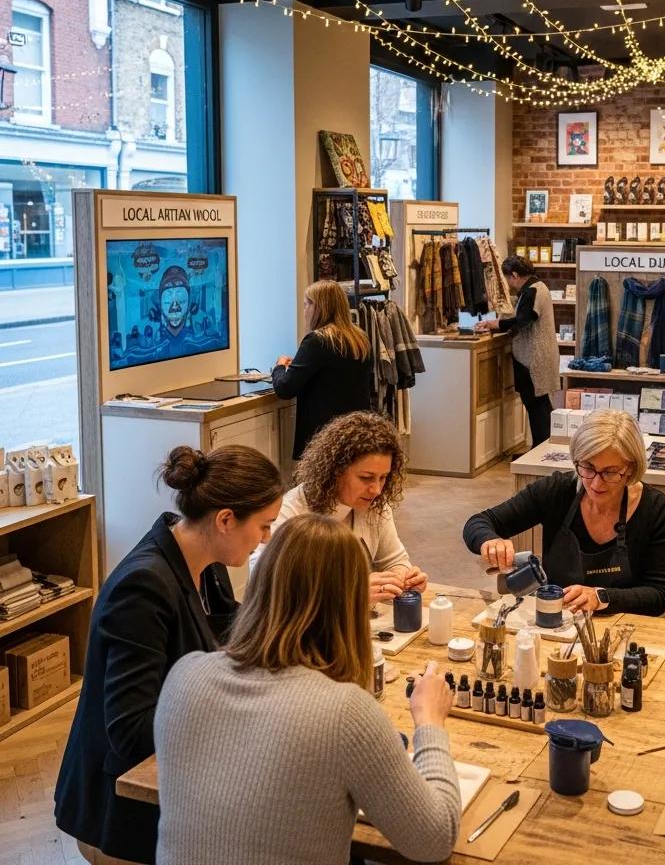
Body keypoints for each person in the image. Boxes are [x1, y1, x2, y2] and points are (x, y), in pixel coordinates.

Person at [154, 514, 461, 865]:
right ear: (350, 604)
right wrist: (431, 724)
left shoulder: (185, 674)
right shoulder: (345, 712)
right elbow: (435, 839)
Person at [54, 446, 284, 865]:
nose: (265, 539)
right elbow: (131, 731)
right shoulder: (143, 587)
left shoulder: (204, 559)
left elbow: (230, 633)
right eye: (265, 526)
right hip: (121, 811)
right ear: (226, 519)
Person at [463, 409, 665, 616]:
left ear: (630, 467)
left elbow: (659, 596)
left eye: (610, 472)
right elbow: (478, 522)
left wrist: (601, 597)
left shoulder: (654, 508)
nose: (596, 483)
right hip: (557, 620)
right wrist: (489, 541)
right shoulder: (557, 491)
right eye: (588, 467)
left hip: (622, 624)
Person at [252, 411, 428, 603]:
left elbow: (394, 560)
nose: (377, 489)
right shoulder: (290, 513)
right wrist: (349, 593)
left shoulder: (374, 504)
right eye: (366, 478)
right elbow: (265, 588)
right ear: (335, 471)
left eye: (383, 477)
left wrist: (404, 578)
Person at [272, 279, 373, 459]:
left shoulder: (317, 341)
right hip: (355, 431)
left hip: (324, 436)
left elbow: (285, 388)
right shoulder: (359, 339)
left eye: (306, 305)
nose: (304, 311)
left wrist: (279, 366)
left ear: (317, 308)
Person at [475, 254, 559, 446]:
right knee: (541, 405)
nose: (510, 284)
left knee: (536, 406)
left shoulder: (531, 292)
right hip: (540, 357)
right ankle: (541, 447)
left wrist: (494, 323)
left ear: (514, 275)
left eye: (508, 279)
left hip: (533, 360)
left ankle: (539, 449)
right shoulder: (539, 287)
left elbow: (522, 320)